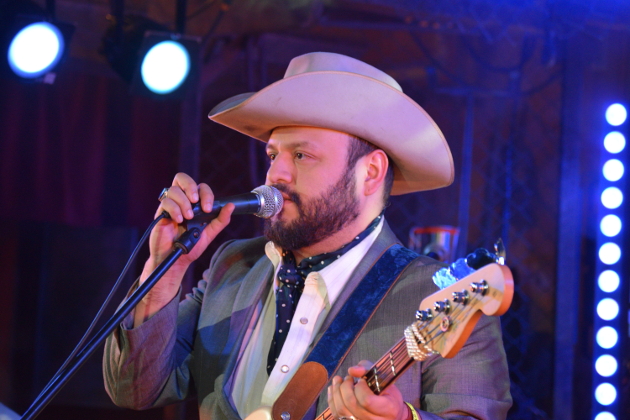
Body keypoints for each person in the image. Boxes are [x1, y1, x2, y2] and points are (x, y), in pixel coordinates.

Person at [103, 52, 512, 420]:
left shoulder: (444, 299)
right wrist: (164, 270)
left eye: (301, 155)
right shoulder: (233, 266)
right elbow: (133, 389)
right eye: (273, 155)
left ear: (369, 173)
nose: (275, 174)